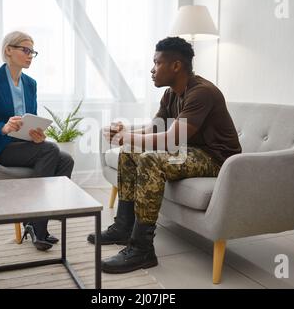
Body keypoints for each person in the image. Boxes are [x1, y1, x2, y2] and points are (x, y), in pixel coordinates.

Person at [87, 37, 242, 273]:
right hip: (191, 151)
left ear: (176, 66)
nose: (152, 69)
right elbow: (154, 129)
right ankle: (123, 227)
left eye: (157, 63)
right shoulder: (171, 93)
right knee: (130, 150)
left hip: (217, 159)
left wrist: (127, 137)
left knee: (150, 160)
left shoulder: (202, 93)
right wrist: (125, 133)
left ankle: (142, 250)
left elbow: (172, 140)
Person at [0, 31, 74, 251]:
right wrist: (3, 127)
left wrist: (37, 135)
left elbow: (31, 119)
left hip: (22, 145)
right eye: (25, 50)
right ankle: (38, 225)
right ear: (8, 50)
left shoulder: (30, 83)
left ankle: (38, 218)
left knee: (66, 160)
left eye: (32, 52)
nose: (30, 56)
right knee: (50, 151)